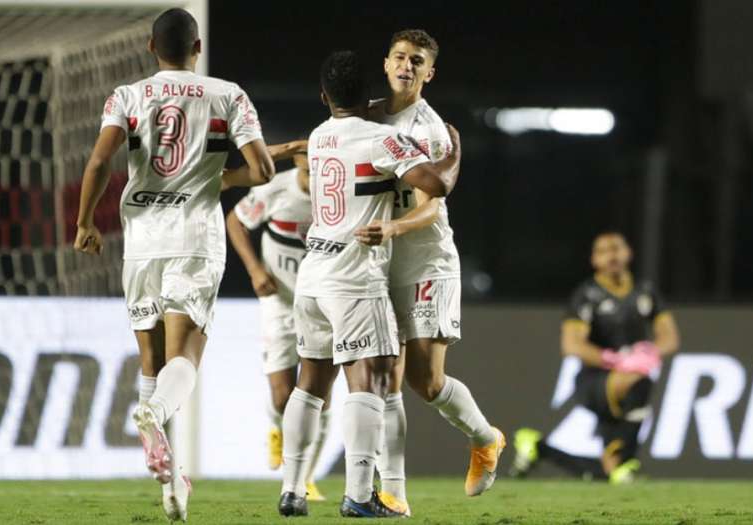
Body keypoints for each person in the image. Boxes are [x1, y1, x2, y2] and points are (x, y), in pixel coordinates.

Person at [73, 8, 277, 521]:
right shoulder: (227, 94)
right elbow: (262, 168)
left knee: (153, 365)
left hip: (141, 240)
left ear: (149, 47)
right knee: (184, 358)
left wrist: (85, 224)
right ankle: (153, 414)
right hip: (194, 238)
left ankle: (171, 486)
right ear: (198, 47)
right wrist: (221, 180)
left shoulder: (127, 96)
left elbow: (99, 162)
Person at [277, 50, 461, 518]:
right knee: (372, 380)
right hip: (356, 275)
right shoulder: (384, 139)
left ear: (325, 97)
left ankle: (292, 488)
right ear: (370, 96)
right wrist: (453, 150)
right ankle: (360, 494)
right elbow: (434, 186)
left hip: (312, 272)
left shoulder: (319, 137)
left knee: (310, 383)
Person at [365, 29, 505, 513]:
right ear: (386, 63)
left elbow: (431, 207)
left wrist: (394, 228)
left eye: (417, 60)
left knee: (424, 383)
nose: (406, 65)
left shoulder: (431, 130)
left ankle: (485, 438)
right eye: (400, 56)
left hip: (426, 260)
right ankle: (394, 495)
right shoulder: (363, 114)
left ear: (429, 72)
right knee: (384, 375)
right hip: (377, 265)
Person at [512, 232, 680, 483]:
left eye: (616, 248)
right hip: (594, 381)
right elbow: (571, 344)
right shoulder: (587, 295)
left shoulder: (645, 291)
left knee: (606, 474)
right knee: (640, 383)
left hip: (626, 383)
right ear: (594, 260)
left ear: (628, 253)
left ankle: (537, 447)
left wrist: (651, 351)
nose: (612, 255)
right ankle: (625, 459)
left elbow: (670, 337)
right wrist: (612, 359)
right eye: (604, 251)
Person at [225, 148, 330, 501]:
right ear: (300, 163)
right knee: (283, 395)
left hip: (323, 305)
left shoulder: (338, 195)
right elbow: (235, 221)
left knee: (320, 395)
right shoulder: (276, 189)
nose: (321, 177)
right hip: (280, 304)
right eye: (313, 167)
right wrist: (255, 270)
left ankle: (307, 478)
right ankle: (276, 428)